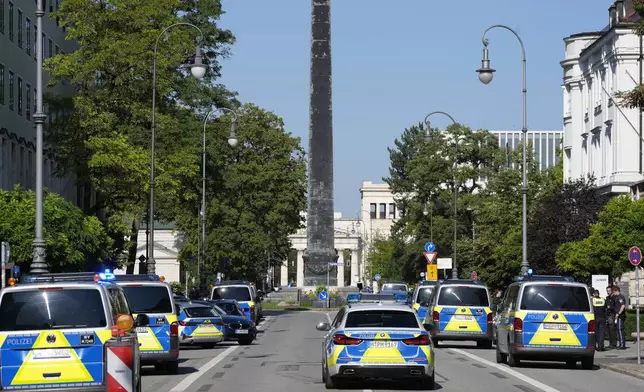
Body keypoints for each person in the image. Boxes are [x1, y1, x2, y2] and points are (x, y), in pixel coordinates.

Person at [612, 285, 627, 350]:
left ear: (616, 291)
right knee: (619, 330)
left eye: (614, 292)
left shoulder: (620, 297)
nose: (613, 293)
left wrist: (619, 313)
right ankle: (621, 344)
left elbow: (623, 306)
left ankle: (622, 345)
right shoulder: (617, 297)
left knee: (620, 330)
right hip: (618, 315)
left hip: (620, 316)